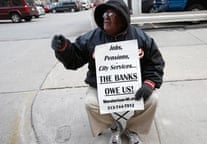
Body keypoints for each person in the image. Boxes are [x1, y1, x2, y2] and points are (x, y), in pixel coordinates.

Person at [51, 0, 165, 143]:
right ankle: (113, 126)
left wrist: (149, 83)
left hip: (134, 86)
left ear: (122, 18)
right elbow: (74, 60)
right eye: (104, 13)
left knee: (153, 99)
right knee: (90, 103)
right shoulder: (91, 38)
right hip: (100, 85)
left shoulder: (141, 37)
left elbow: (156, 63)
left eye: (110, 13)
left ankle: (133, 129)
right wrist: (63, 49)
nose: (105, 16)